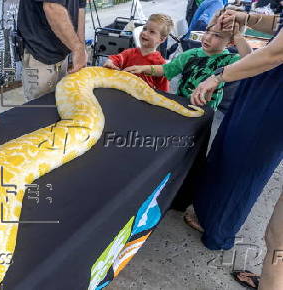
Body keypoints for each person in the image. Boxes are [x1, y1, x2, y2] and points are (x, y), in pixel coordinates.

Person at [183, 8, 282, 289]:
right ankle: (210, 218)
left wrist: (218, 76)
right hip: (266, 83)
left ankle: (219, 230)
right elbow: (279, 22)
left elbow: (275, 54)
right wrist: (247, 19)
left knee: (244, 166)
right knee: (229, 152)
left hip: (274, 93)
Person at [123, 12, 251, 110]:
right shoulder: (189, 55)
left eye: (217, 35)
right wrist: (143, 68)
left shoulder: (229, 60)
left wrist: (237, 35)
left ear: (231, 42)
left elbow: (249, 60)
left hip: (206, 110)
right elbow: (166, 69)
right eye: (207, 32)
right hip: (181, 104)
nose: (207, 38)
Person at [17, 0, 88, 102]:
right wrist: (77, 48)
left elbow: (80, 7)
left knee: (62, 100)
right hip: (39, 54)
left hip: (62, 53)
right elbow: (52, 7)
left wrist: (81, 48)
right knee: (41, 109)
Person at [103, 14, 173, 92]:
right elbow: (115, 59)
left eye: (152, 32)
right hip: (122, 94)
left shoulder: (160, 66)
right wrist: (110, 63)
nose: (145, 33)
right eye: (144, 29)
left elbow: (163, 93)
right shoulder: (129, 53)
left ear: (162, 39)